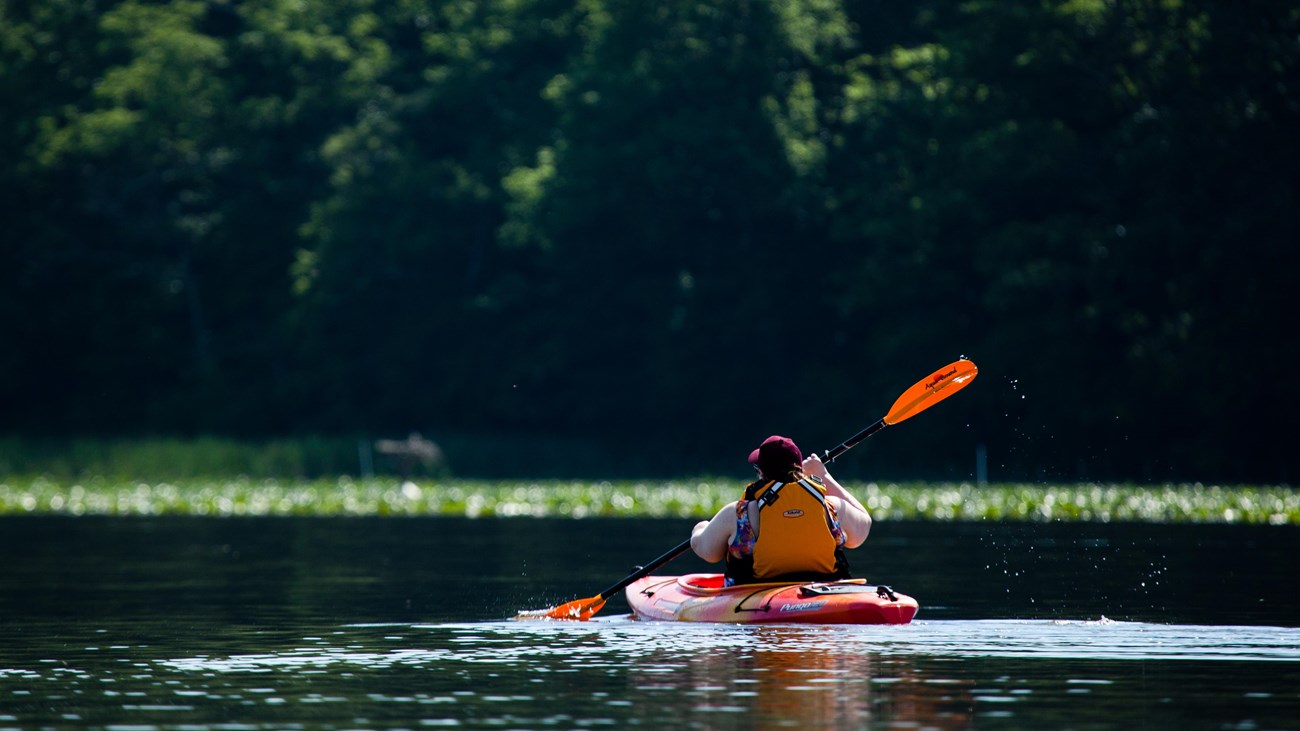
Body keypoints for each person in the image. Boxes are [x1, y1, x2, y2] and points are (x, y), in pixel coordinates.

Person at [690, 435, 872, 586]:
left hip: (755, 597)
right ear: (800, 470)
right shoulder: (832, 508)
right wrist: (824, 476)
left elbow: (708, 552)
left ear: (761, 473)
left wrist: (700, 528)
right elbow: (863, 526)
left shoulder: (738, 514)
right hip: (824, 591)